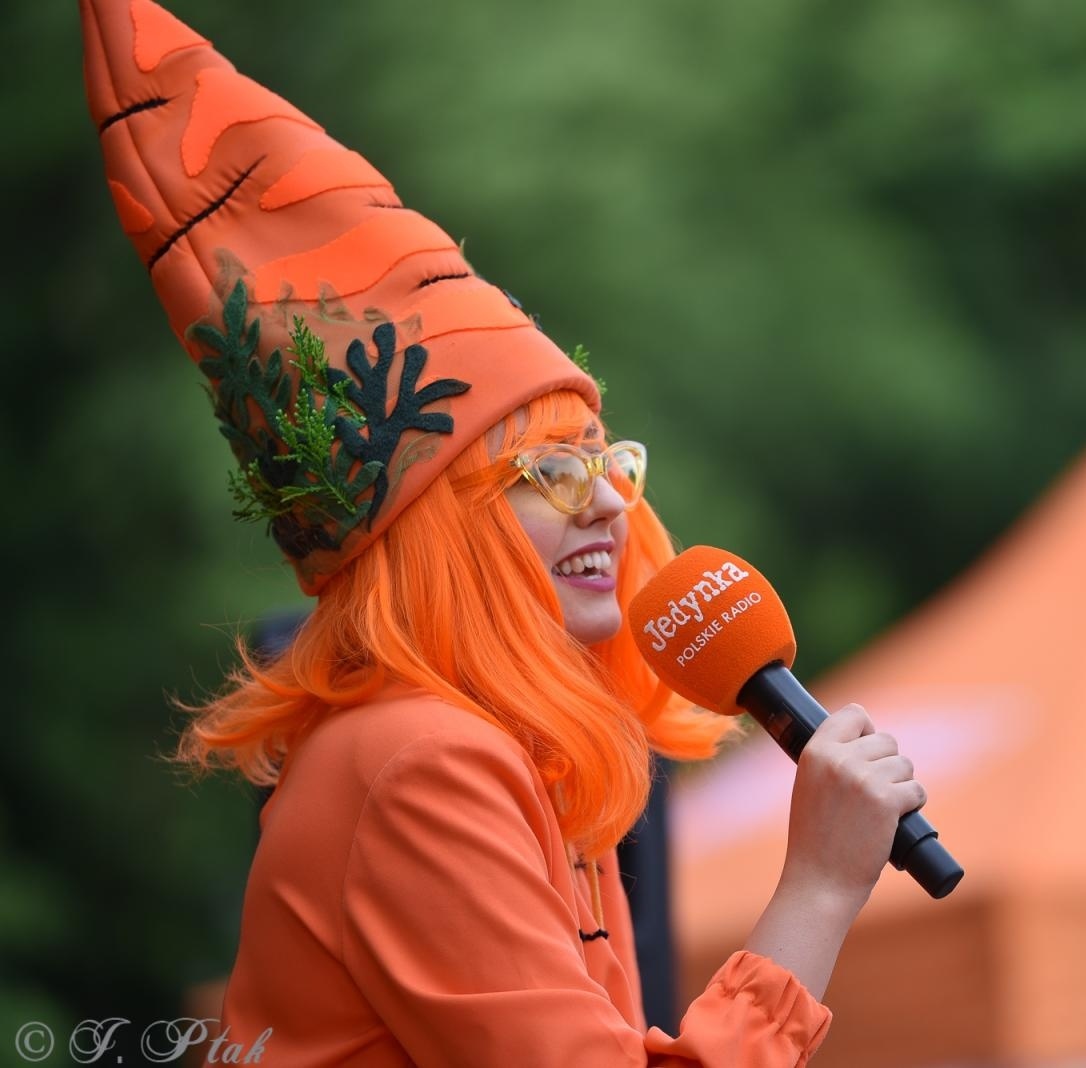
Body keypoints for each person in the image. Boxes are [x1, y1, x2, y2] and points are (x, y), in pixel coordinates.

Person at [80, 1, 925, 1064]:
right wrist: (816, 888)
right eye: (553, 474)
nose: (613, 503)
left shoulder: (525, 756)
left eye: (609, 460)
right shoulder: (421, 760)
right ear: (435, 529)